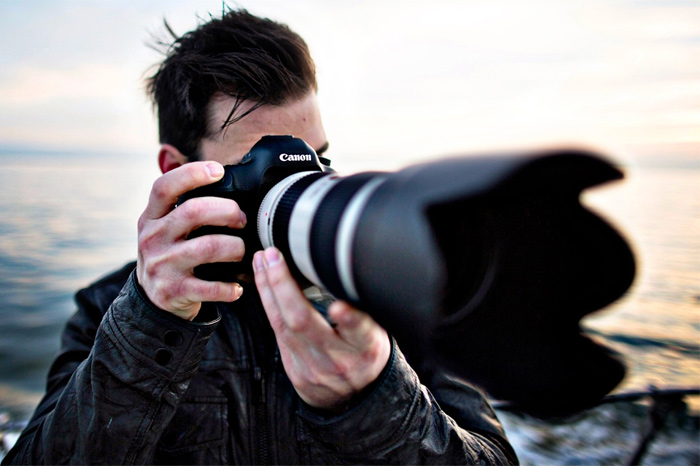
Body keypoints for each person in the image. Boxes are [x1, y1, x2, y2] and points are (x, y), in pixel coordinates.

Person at [3, 8, 517, 465]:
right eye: (268, 172)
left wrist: (374, 398)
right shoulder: (108, 313)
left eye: (315, 161)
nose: (303, 188)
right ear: (179, 173)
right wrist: (152, 322)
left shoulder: (385, 293)